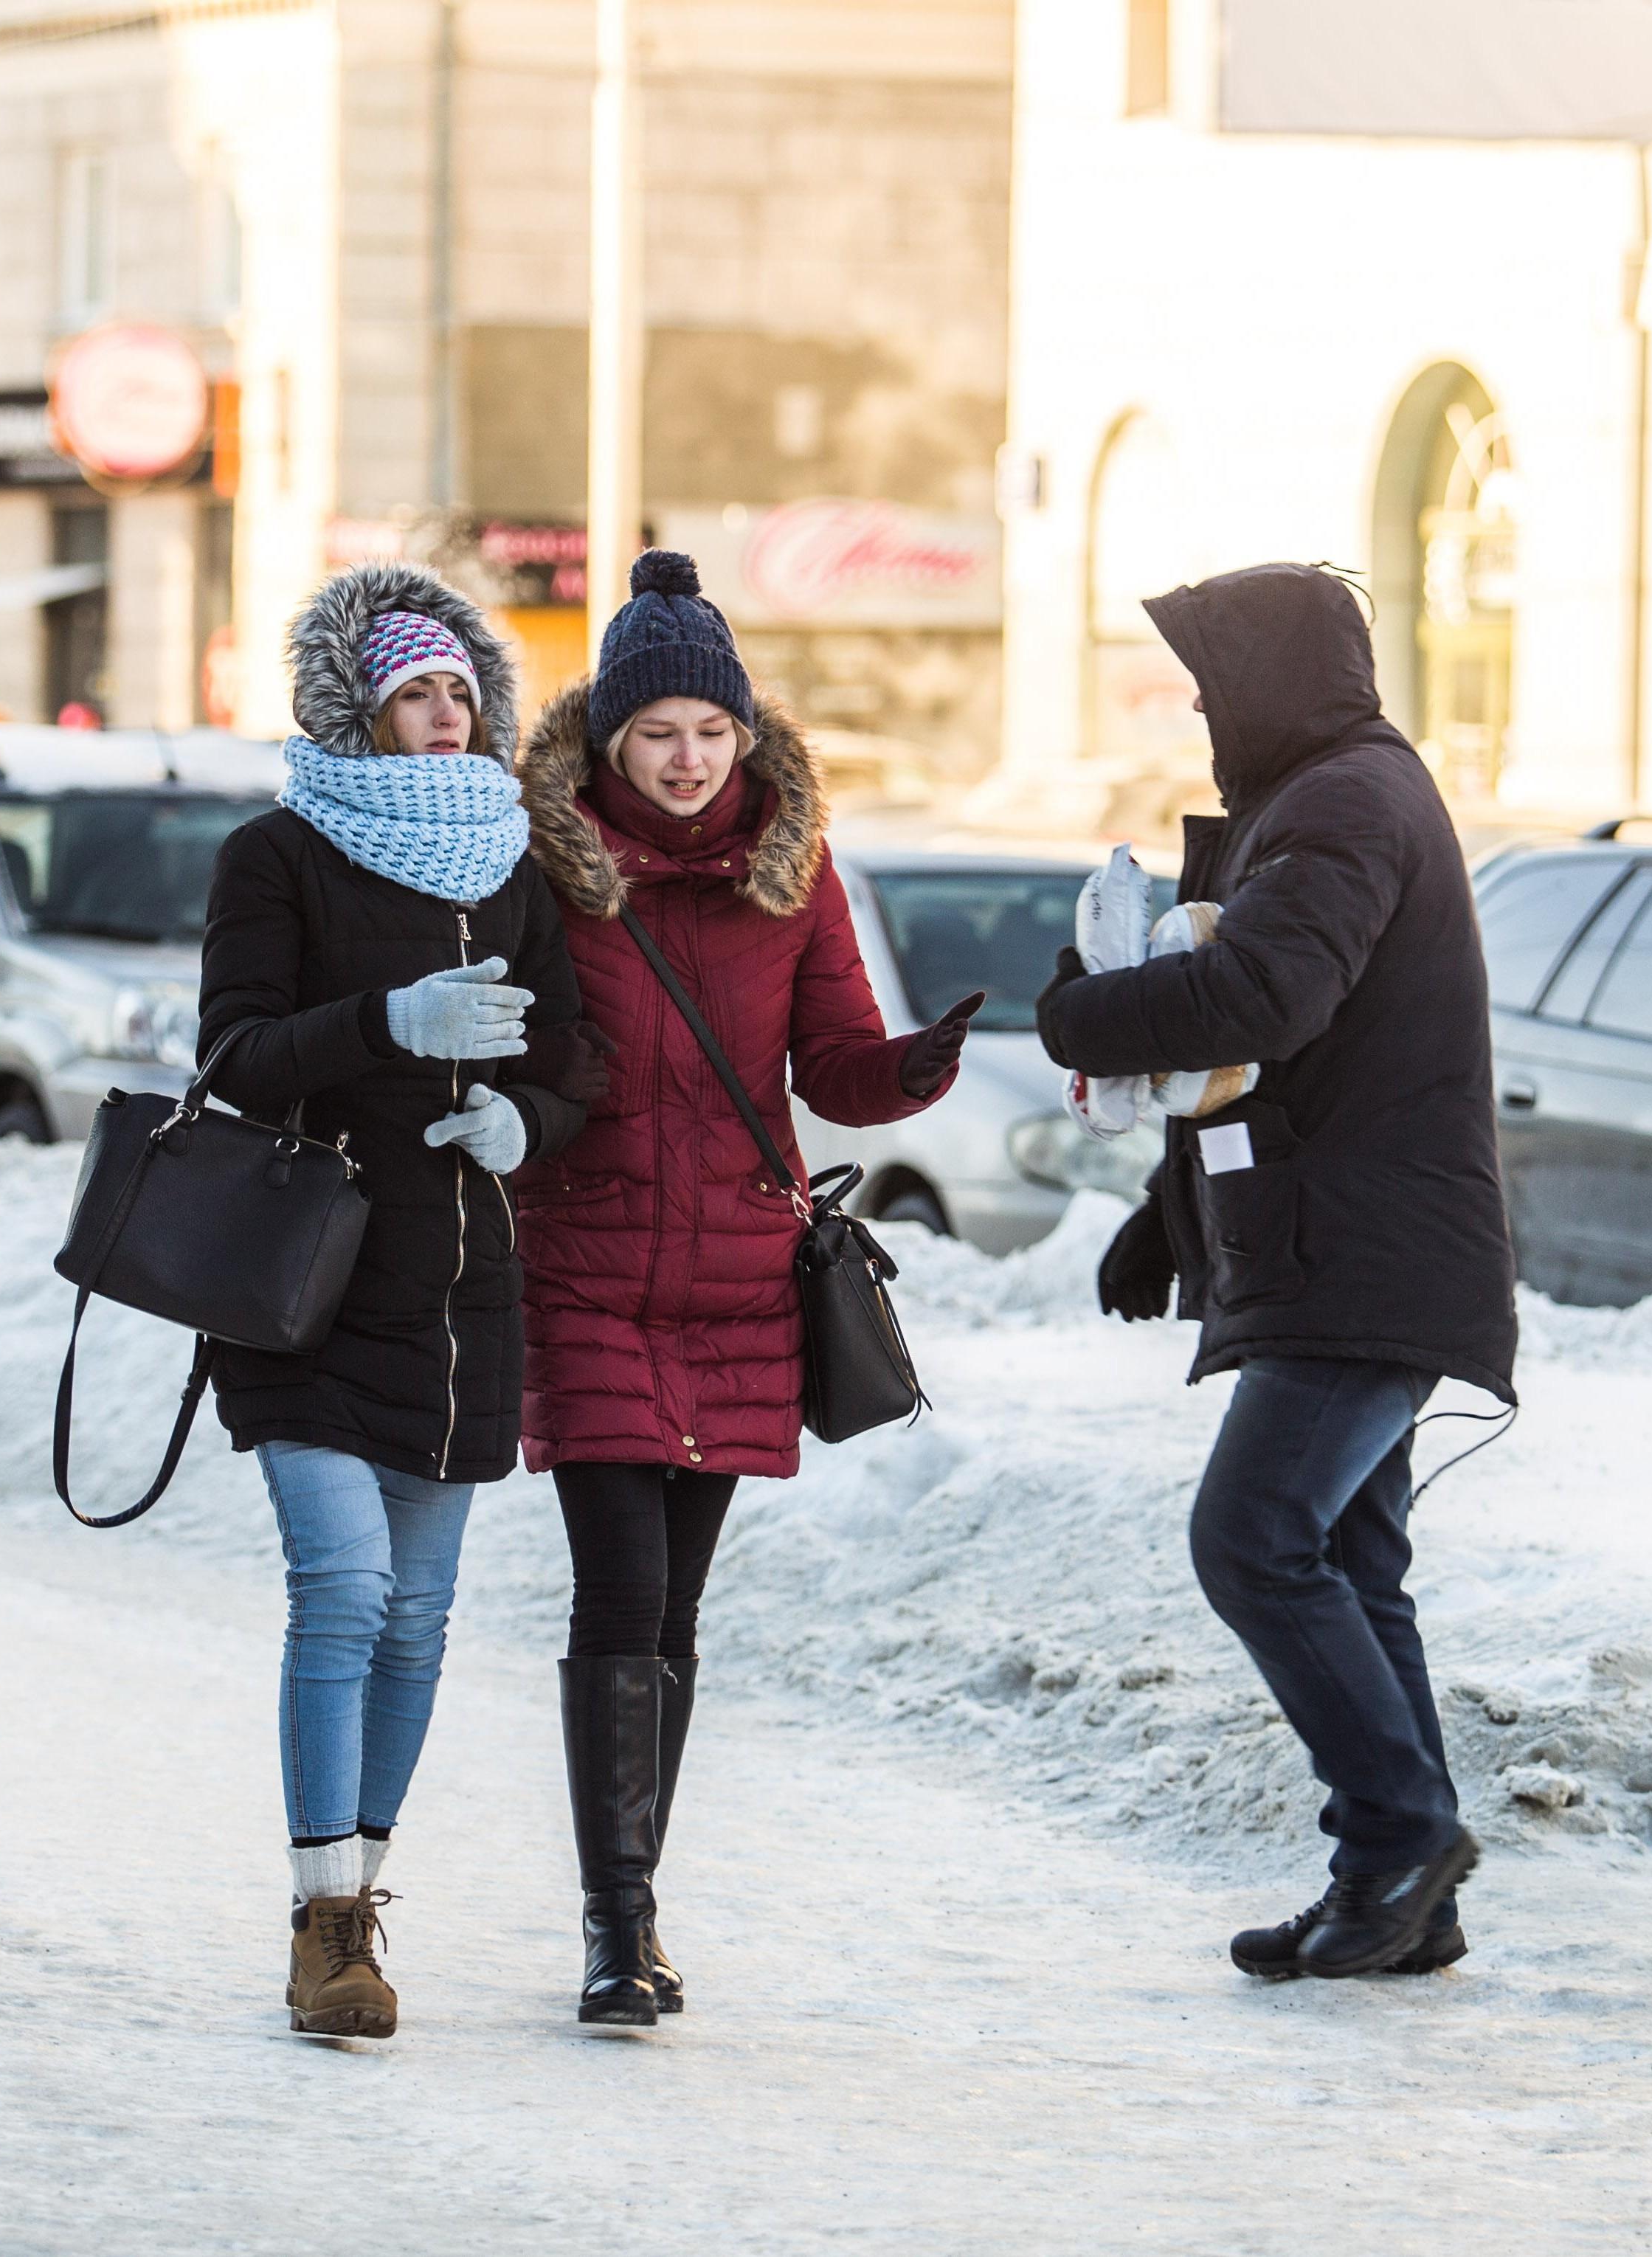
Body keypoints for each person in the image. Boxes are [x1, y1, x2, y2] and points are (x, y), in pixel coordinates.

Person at [1035, 562, 1518, 1982]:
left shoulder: (1344, 803)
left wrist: (1084, 1021)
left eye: (1210, 679)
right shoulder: (1317, 800)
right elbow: (1264, 1072)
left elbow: (1266, 999)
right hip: (1351, 1242)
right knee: (1350, 1558)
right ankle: (1402, 1892)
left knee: (1251, 1537)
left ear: (1269, 679)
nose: (1197, 706)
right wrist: (1167, 1218)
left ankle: (1398, 1839)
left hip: (1371, 1257)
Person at [514, 550, 977, 2025]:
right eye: (657, 735)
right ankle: (611, 1929)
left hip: (734, 1281)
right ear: (608, 743)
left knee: (678, 1614)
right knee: (623, 1586)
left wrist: (909, 1067)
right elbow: (516, 1048)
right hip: (580, 1266)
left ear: (742, 733)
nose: (686, 758)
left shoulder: (792, 871)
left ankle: (636, 1910)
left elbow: (831, 1059)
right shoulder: (553, 871)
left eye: (708, 731)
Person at [196, 564, 587, 2040]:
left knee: (418, 1619)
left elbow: (577, 1064)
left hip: (463, 1293)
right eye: (415, 692)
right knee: (344, 1587)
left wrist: (525, 1127)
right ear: (357, 713)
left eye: (461, 693)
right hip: (304, 1283)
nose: (445, 715)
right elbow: (233, 1057)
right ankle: (327, 1924)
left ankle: (364, 1887)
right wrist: (383, 1025)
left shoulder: (511, 869)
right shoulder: (277, 857)